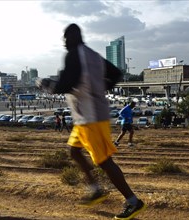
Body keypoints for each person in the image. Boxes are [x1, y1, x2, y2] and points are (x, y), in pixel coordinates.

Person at [36, 23, 146, 220]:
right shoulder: (92, 55)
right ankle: (95, 189)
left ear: (71, 38)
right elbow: (115, 74)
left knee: (104, 161)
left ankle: (133, 201)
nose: (63, 42)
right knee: (74, 151)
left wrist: (45, 84)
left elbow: (65, 85)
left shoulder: (74, 54)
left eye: (65, 38)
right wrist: (100, 88)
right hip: (84, 117)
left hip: (91, 117)